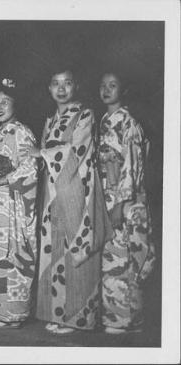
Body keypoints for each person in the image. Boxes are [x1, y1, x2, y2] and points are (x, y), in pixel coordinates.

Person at [24, 68, 112, 334]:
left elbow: (78, 151)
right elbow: (39, 158)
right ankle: (57, 314)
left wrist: (42, 153)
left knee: (76, 246)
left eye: (67, 83)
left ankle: (78, 318)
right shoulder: (51, 119)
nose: (61, 89)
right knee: (53, 249)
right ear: (49, 88)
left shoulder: (85, 114)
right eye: (55, 84)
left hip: (77, 191)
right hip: (51, 193)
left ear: (76, 87)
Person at [97, 72, 155, 334]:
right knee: (111, 256)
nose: (107, 90)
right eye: (103, 86)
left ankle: (126, 319)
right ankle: (115, 316)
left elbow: (132, 165)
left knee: (125, 258)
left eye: (113, 85)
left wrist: (122, 203)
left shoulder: (129, 123)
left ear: (124, 90)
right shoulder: (105, 121)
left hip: (125, 199)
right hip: (108, 196)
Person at [0, 78, 38, 329]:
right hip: (2, 203)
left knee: (15, 254)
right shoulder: (0, 132)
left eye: (4, 102)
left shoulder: (21, 131)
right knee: (0, 254)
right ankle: (3, 312)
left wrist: (3, 178)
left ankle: (15, 314)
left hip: (16, 203)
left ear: (15, 103)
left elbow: (31, 168)